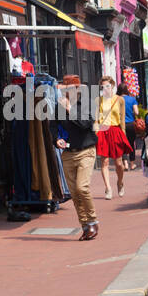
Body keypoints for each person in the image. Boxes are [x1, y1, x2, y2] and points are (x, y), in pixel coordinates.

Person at [54, 76, 99, 240]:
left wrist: (69, 109)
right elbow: (53, 126)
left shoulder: (88, 103)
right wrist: (56, 139)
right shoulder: (58, 105)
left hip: (86, 151)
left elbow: (84, 124)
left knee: (82, 188)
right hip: (67, 153)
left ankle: (93, 220)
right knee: (74, 193)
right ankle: (85, 226)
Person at [95, 76, 133, 198]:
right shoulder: (98, 100)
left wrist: (123, 134)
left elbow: (122, 119)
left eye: (107, 86)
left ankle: (120, 182)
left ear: (112, 86)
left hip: (116, 130)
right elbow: (96, 119)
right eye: (103, 86)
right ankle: (108, 188)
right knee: (104, 161)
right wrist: (96, 133)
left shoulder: (119, 100)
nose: (105, 88)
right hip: (103, 131)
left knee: (118, 163)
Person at [118, 82, 140, 170]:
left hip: (120, 125)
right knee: (131, 144)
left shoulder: (117, 100)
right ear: (127, 90)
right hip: (131, 124)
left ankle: (125, 164)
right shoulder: (132, 99)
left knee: (122, 144)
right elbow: (136, 112)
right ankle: (132, 164)